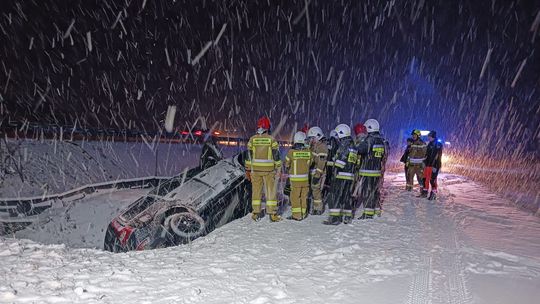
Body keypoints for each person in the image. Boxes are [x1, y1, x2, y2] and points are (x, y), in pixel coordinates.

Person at [246, 116, 282, 222]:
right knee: (270, 192)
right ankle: (272, 214)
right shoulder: (272, 140)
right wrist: (279, 166)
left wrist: (248, 169)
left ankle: (256, 213)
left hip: (255, 171)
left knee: (256, 192)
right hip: (268, 171)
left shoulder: (252, 139)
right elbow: (276, 155)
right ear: (267, 127)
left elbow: (248, 156)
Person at [324, 124, 358, 225]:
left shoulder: (344, 145)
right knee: (346, 196)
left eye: (338, 134)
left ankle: (335, 218)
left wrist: (334, 163)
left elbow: (341, 161)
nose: (337, 137)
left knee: (335, 196)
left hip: (340, 175)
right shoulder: (353, 145)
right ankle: (347, 216)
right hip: (350, 175)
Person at [356, 119, 389, 219]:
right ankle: (376, 210)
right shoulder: (381, 140)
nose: (364, 131)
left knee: (367, 191)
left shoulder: (370, 139)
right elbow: (384, 154)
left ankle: (368, 213)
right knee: (375, 191)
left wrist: (359, 141)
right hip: (377, 170)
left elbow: (359, 150)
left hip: (368, 170)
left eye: (365, 128)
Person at [285, 131, 312, 220]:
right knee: (304, 197)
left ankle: (297, 216)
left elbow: (286, 164)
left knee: (295, 197)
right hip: (305, 180)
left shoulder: (291, 152)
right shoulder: (309, 152)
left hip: (295, 180)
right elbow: (311, 163)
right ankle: (304, 213)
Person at [307, 126, 328, 215]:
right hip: (314, 171)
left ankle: (318, 209)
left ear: (318, 136)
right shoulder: (315, 146)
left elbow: (321, 162)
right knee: (313, 189)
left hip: (318, 173)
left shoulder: (322, 147)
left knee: (316, 190)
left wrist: (318, 174)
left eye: (313, 138)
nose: (312, 140)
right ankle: (313, 207)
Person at [423, 131, 443, 200]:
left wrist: (435, 165)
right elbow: (427, 154)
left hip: (434, 164)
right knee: (425, 178)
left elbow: (437, 155)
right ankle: (425, 192)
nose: (428, 138)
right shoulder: (430, 144)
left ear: (433, 136)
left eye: (429, 136)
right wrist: (425, 161)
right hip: (428, 164)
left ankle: (433, 194)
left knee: (432, 179)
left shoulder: (438, 144)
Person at [323, 130, 339, 197]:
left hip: (326, 163)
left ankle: (324, 194)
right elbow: (333, 153)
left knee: (326, 181)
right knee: (330, 181)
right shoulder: (334, 141)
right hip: (331, 164)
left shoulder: (328, 142)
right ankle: (329, 195)